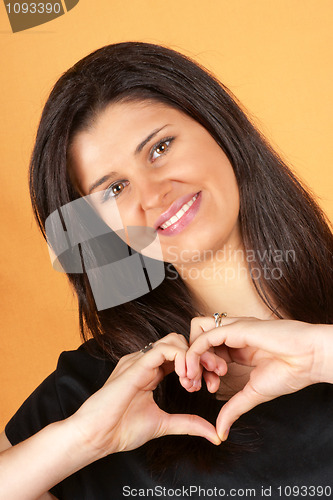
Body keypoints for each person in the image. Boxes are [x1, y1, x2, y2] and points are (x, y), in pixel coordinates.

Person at [0, 41, 332, 500]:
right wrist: (82, 440)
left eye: (159, 148)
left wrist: (322, 355)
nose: (153, 194)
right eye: (114, 188)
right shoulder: (96, 393)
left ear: (217, 126)